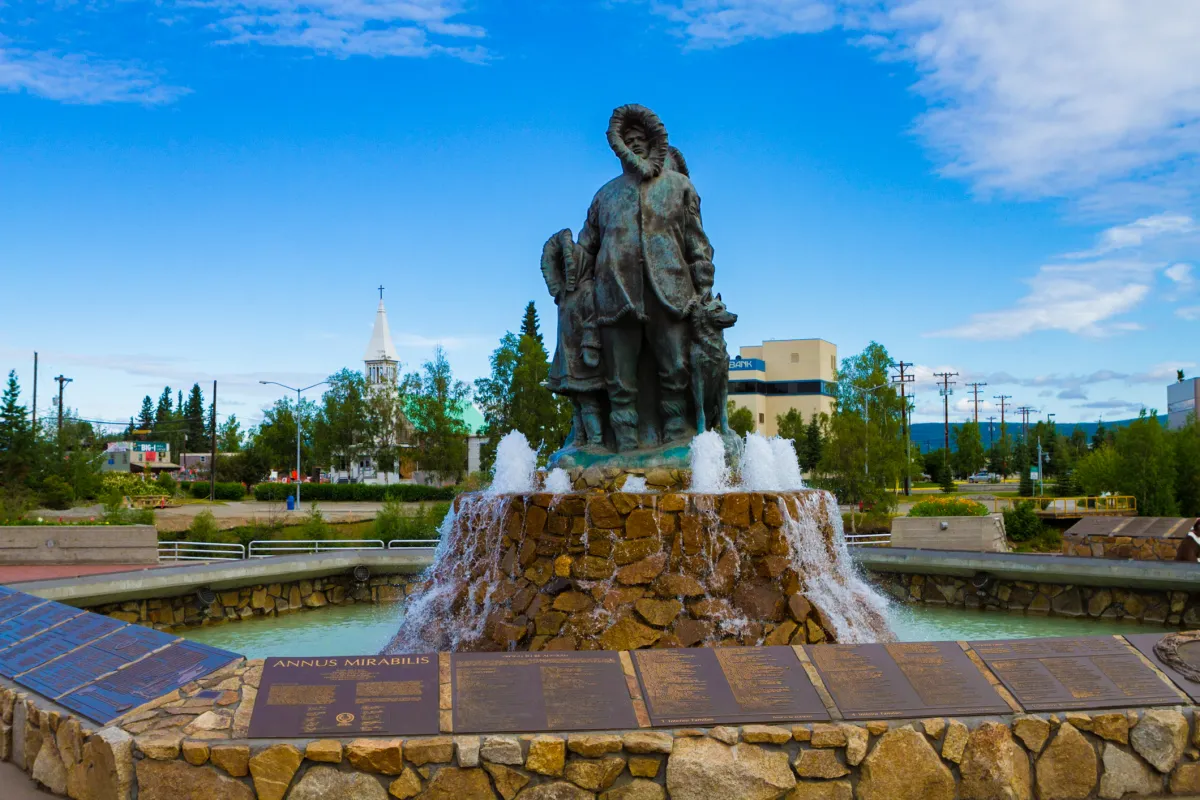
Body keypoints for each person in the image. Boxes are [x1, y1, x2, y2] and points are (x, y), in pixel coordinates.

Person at [576, 105, 715, 451]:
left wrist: (704, 288)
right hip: (615, 295)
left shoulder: (680, 187)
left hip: (670, 292)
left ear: (654, 142)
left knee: (677, 368)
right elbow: (585, 249)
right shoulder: (605, 195)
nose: (636, 144)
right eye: (629, 140)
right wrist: (569, 265)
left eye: (641, 139)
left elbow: (698, 244)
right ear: (619, 146)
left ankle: (675, 438)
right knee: (619, 379)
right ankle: (623, 447)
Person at [542, 228, 605, 449]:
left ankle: (596, 440)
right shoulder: (565, 297)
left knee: (588, 402)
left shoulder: (588, 291)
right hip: (568, 358)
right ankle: (580, 439)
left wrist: (591, 346)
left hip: (583, 358)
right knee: (577, 402)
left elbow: (592, 320)